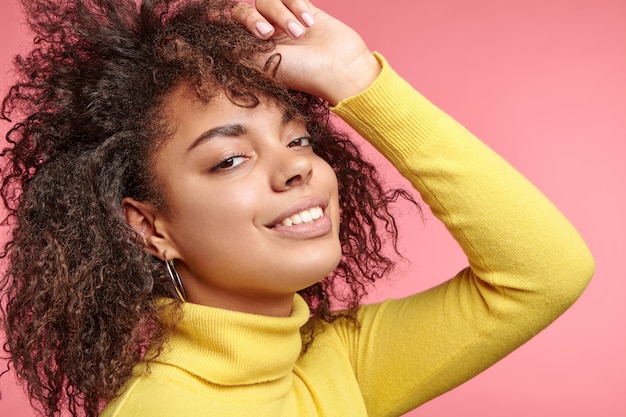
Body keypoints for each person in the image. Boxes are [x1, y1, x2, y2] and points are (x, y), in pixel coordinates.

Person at [0, 0, 594, 416]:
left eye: (298, 138)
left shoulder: (336, 363)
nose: (296, 166)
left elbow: (543, 276)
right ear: (150, 227)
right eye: (230, 159)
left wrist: (357, 77)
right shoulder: (164, 407)